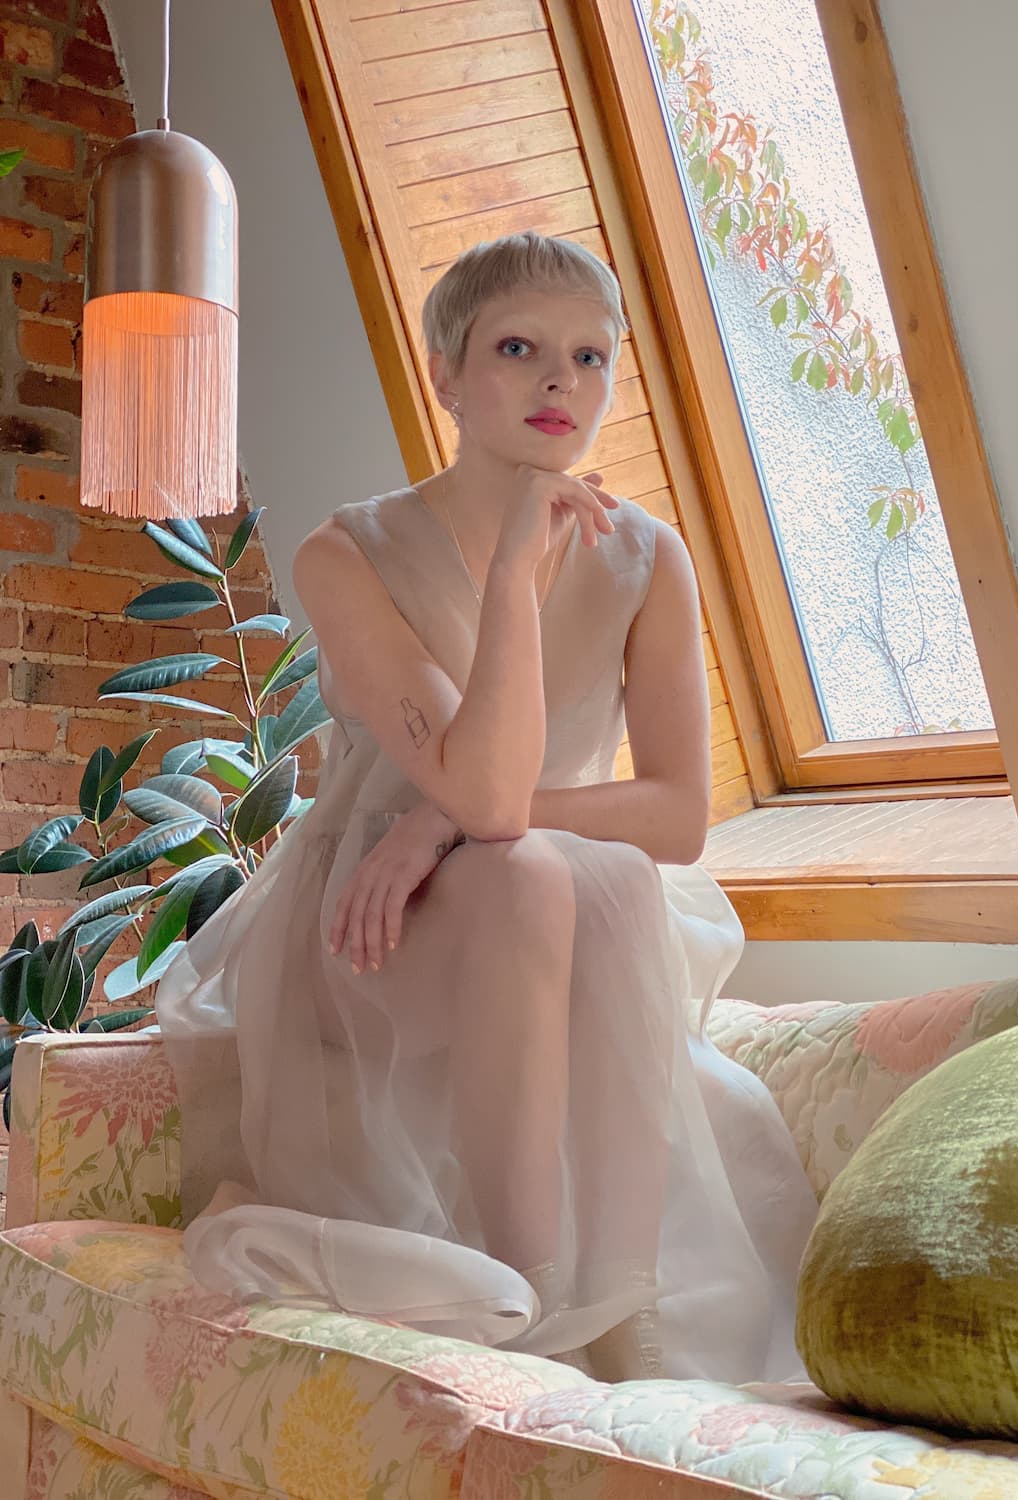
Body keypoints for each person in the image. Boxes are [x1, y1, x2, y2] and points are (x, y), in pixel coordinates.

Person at [156, 231, 818, 1383]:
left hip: (553, 896)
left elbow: (673, 820)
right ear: (448, 377)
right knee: (529, 869)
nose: (562, 382)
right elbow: (487, 788)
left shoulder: (649, 557)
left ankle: (591, 1301)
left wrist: (450, 821)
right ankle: (534, 1305)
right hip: (375, 920)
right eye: (519, 349)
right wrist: (513, 572)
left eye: (590, 357)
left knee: (564, 871)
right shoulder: (346, 553)